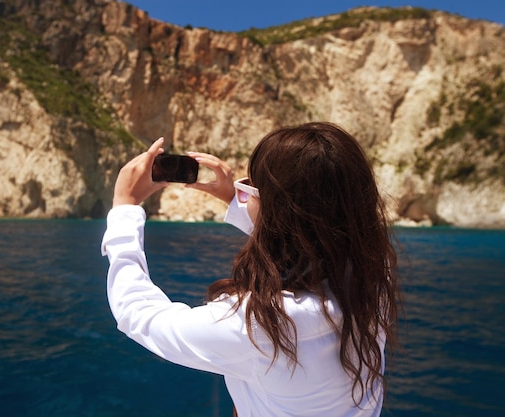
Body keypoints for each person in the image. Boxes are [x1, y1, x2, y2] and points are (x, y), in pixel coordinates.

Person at [101, 122, 401, 417]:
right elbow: (314, 237)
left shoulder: (259, 324)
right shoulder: (372, 271)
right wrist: (236, 198)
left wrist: (124, 209)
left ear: (274, 206)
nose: (244, 192)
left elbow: (138, 315)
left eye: (251, 186)